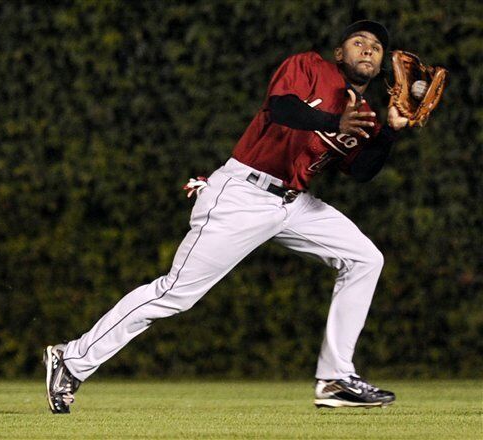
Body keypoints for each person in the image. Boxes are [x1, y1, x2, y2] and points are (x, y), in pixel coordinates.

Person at [44, 20, 410, 413]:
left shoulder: (367, 112)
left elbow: (360, 172)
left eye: (375, 46)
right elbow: (281, 107)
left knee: (365, 258)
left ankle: (336, 379)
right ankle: (71, 359)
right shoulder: (308, 67)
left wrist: (389, 132)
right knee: (175, 293)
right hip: (242, 193)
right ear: (340, 53)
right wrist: (330, 121)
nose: (368, 49)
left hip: (293, 202)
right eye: (358, 41)